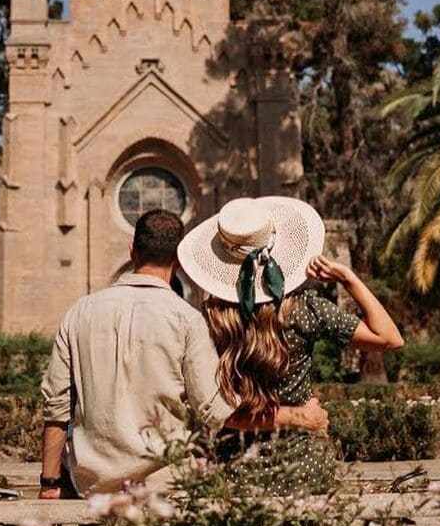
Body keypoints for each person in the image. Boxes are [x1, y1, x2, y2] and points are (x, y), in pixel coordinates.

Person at [39, 209, 331, 499]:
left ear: (132, 251)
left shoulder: (79, 312)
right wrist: (298, 416)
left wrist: (49, 482)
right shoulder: (187, 320)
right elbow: (218, 412)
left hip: (91, 487)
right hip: (166, 487)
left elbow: (56, 407)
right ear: (178, 260)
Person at [177, 196, 404, 494]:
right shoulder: (306, 310)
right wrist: (348, 279)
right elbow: (390, 338)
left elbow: (215, 410)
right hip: (303, 471)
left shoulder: (209, 321)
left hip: (232, 475)